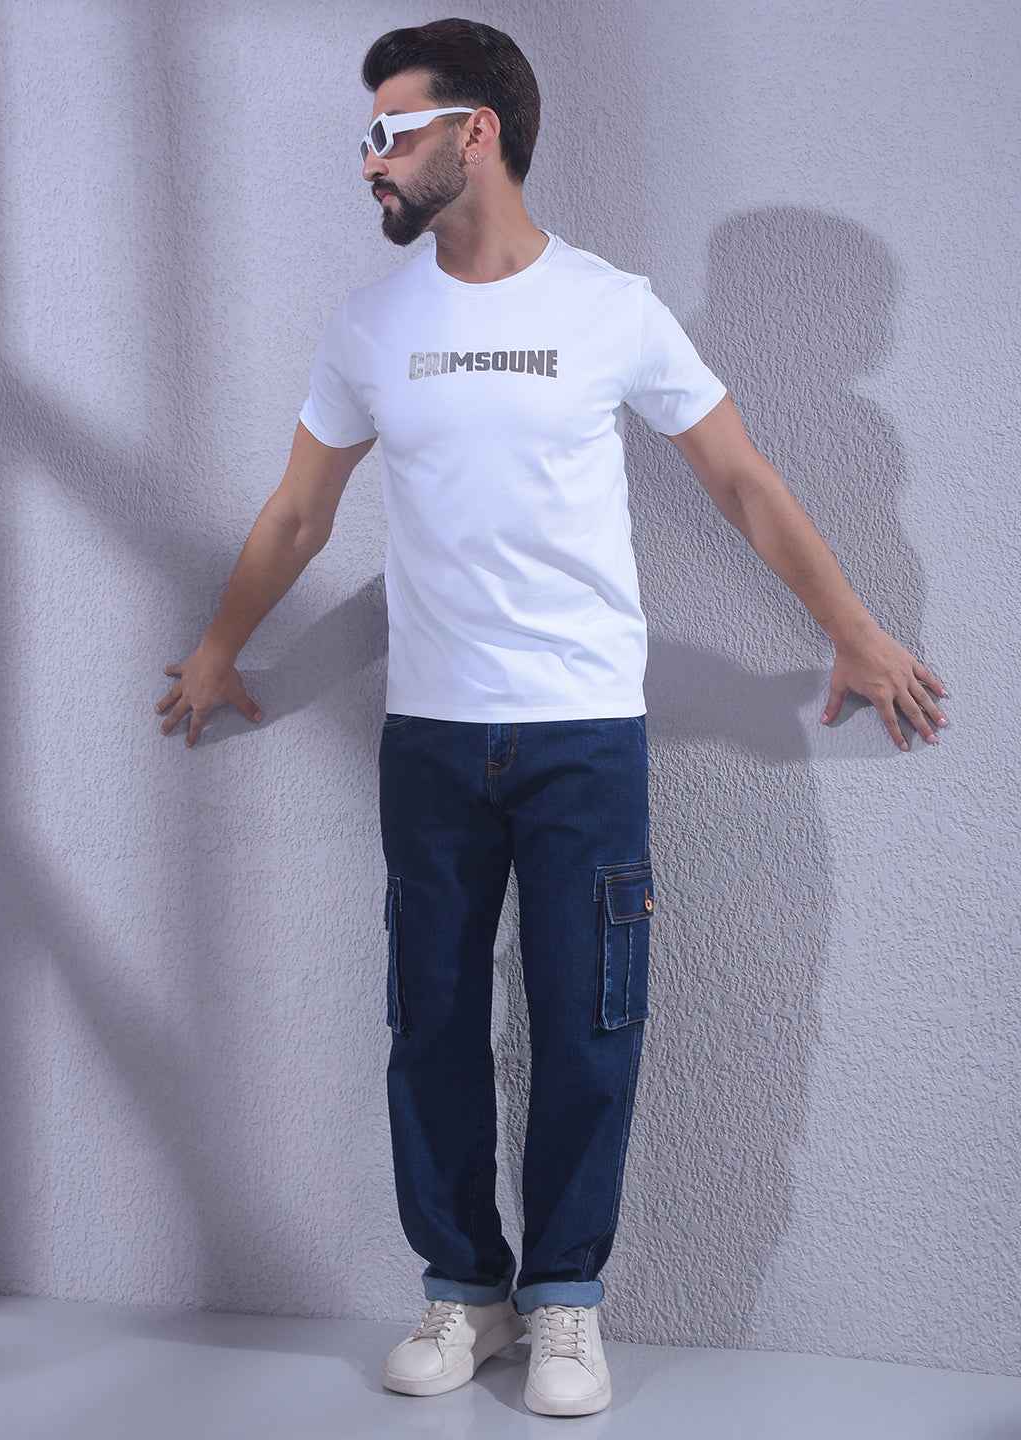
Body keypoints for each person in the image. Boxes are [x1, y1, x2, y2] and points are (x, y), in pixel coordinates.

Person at [154, 17, 949, 1420]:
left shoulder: (611, 308)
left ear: (476, 133)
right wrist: (220, 648)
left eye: (390, 130)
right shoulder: (373, 325)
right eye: (364, 135)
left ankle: (566, 1296)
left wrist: (854, 629)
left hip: (583, 735)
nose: (368, 161)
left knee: (589, 1025)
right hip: (431, 739)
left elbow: (742, 480)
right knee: (433, 1023)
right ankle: (463, 1290)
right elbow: (299, 512)